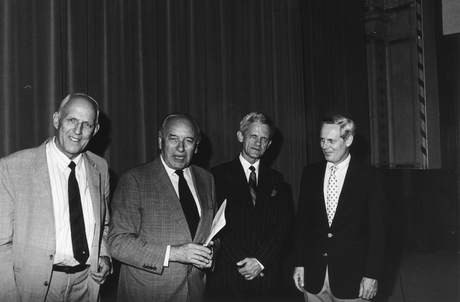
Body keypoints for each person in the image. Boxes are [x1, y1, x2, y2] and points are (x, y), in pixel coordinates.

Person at [0, 93, 111, 302]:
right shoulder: (12, 168)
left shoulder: (101, 168)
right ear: (56, 120)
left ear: (95, 130)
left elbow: (104, 225)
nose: (78, 131)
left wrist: (104, 255)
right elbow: (1, 244)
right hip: (35, 288)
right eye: (72, 120)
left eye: (86, 124)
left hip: (86, 285)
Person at [108, 113, 216, 302]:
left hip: (196, 293)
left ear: (197, 146)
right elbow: (117, 243)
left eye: (188, 141)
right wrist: (174, 253)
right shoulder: (134, 180)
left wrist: (211, 251)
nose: (180, 148)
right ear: (160, 141)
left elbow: (213, 231)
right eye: (173, 139)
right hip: (149, 293)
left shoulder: (206, 179)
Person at [292, 114, 384, 302]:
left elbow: (378, 231)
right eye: (322, 140)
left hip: (352, 278)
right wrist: (299, 263)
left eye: (331, 141)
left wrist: (372, 274)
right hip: (314, 275)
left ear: (348, 139)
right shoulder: (310, 173)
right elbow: (302, 223)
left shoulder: (370, 177)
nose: (325, 146)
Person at [207, 112, 293, 301]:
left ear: (269, 144)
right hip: (229, 276)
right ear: (240, 136)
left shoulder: (277, 180)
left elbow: (284, 227)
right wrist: (242, 264)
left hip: (267, 277)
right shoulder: (216, 176)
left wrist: (260, 262)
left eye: (264, 139)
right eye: (253, 136)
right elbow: (215, 226)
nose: (258, 143)